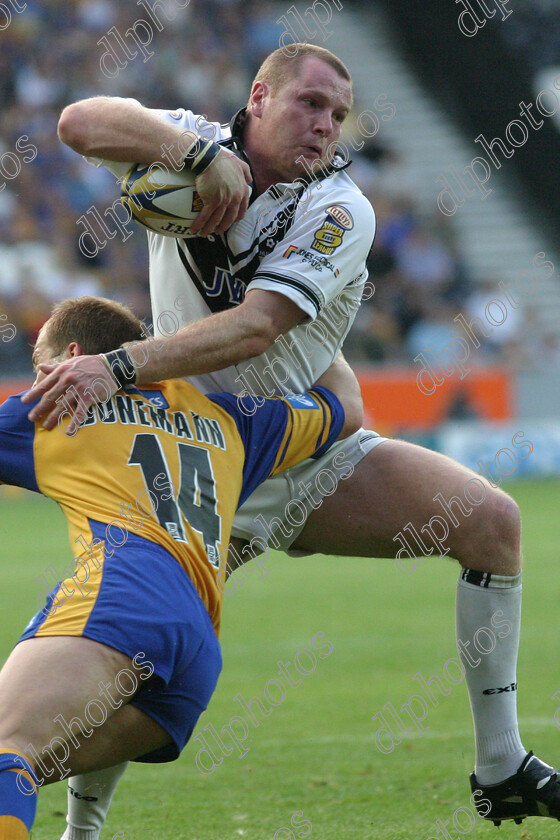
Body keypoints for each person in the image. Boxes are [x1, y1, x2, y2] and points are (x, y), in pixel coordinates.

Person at [25, 44, 560, 833]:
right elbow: (78, 122)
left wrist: (121, 366)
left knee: (493, 526)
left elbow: (260, 327)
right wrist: (192, 152)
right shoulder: (192, 135)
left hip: (309, 452)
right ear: (260, 97)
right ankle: (79, 827)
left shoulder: (340, 207)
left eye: (338, 115)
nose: (325, 126)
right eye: (310, 104)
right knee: (127, 663)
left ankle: (501, 764)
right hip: (195, 467)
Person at [0, 294, 361, 840]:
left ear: (71, 355)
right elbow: (346, 405)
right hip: (195, 648)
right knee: (24, 771)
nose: (38, 378)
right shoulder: (233, 419)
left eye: (41, 362)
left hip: (122, 598)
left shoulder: (52, 404)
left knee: (6, 753)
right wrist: (318, 317)